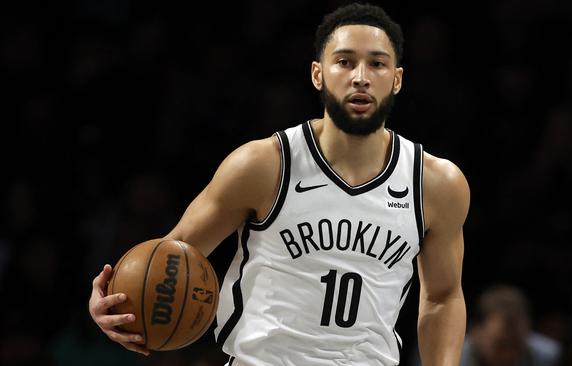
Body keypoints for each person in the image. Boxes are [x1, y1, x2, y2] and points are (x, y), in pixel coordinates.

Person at [88, 3, 470, 365]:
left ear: (397, 79)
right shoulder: (263, 165)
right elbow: (175, 256)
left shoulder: (436, 184)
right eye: (345, 61)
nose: (361, 76)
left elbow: (442, 297)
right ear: (318, 74)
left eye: (377, 64)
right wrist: (116, 301)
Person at [460, 285, 560, 366]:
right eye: (501, 346)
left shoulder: (550, 357)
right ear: (476, 331)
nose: (508, 356)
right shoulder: (453, 358)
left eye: (516, 345)